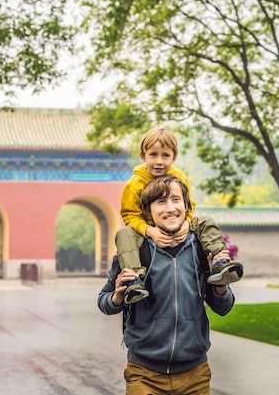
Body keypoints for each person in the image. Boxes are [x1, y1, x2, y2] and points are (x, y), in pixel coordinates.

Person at [98, 175, 236, 395]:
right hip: (143, 373)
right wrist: (116, 297)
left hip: (195, 374)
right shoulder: (135, 251)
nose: (170, 208)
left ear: (186, 205)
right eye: (160, 202)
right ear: (148, 212)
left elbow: (224, 307)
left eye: (175, 199)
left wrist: (221, 287)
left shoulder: (200, 249)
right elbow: (103, 301)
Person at [117, 127, 243, 304]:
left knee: (205, 220)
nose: (159, 161)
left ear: (174, 157)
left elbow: (189, 206)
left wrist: (186, 224)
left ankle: (218, 262)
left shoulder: (179, 177)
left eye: (165, 156)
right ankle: (134, 281)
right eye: (153, 155)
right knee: (124, 234)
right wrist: (150, 231)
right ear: (143, 155)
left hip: (179, 225)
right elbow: (130, 216)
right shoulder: (134, 185)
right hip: (146, 230)